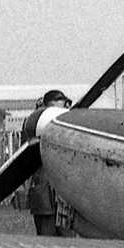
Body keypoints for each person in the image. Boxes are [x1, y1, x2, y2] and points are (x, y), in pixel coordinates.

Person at [26, 89, 72, 236]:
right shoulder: (34, 127)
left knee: (70, 242)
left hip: (66, 195)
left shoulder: (71, 129)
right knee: (46, 240)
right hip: (44, 193)